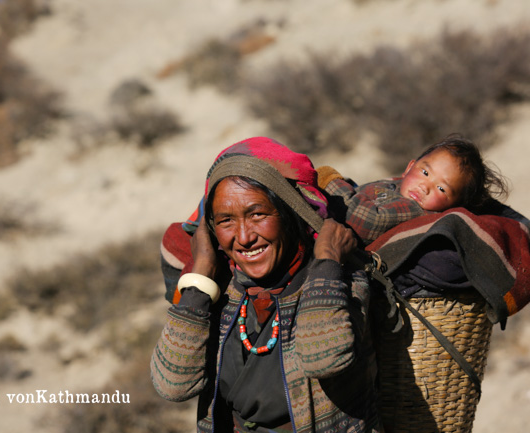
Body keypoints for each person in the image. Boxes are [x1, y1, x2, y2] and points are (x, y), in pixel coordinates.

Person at [151, 137, 382, 432]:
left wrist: (327, 262)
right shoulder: (223, 289)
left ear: (289, 212)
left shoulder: (338, 278)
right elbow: (173, 385)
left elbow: (322, 358)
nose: (244, 237)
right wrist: (200, 278)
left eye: (257, 214)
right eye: (225, 221)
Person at [317, 134, 510, 245]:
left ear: (454, 205)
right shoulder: (396, 185)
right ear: (409, 167)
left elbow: (366, 221)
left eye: (441, 188)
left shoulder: (416, 209)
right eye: (425, 172)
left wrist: (332, 182)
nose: (425, 186)